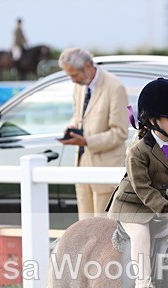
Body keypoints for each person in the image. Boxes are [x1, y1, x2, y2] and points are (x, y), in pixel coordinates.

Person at [106, 78, 168, 288]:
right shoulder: (138, 151)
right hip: (132, 205)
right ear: (152, 119)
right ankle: (143, 286)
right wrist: (167, 209)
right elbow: (142, 188)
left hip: (162, 201)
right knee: (141, 234)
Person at [58, 48, 129, 220]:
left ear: (88, 66)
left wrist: (87, 141)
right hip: (82, 166)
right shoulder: (79, 87)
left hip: (106, 168)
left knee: (103, 228)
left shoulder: (115, 87)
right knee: (84, 225)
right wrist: (72, 129)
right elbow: (79, 117)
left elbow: (120, 132)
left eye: (74, 75)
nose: (72, 80)